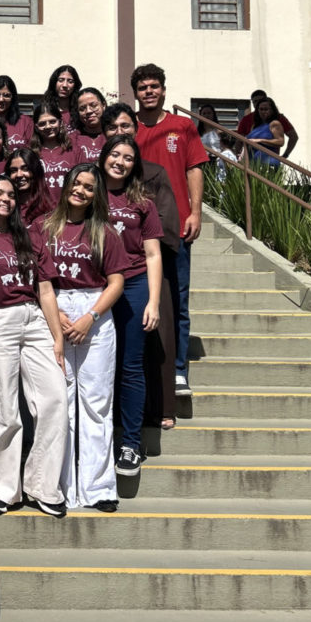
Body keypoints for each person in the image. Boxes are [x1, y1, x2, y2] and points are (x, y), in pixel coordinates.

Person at [0, 175, 68, 517]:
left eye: (11, 194)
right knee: (4, 409)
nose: (6, 198)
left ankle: (43, 486)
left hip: (34, 319)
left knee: (55, 399)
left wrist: (57, 337)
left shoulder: (30, 237)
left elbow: (46, 290)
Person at [37, 164, 127, 511]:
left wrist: (91, 316)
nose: (81, 191)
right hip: (54, 305)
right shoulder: (43, 227)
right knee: (60, 400)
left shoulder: (105, 232)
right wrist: (56, 315)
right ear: (65, 186)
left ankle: (98, 488)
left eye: (89, 187)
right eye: (77, 184)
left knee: (96, 402)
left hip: (94, 309)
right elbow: (36, 279)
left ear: (96, 194)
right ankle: (60, 486)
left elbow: (116, 281)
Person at [101, 102, 183, 432]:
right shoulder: (93, 185)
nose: (119, 132)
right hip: (100, 279)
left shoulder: (152, 178)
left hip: (139, 272)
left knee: (144, 349)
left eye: (125, 126)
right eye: (112, 128)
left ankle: (153, 414)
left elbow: (158, 239)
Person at [131, 64, 208, 401]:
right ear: (135, 93)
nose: (149, 92)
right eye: (143, 87)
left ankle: (177, 369)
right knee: (142, 299)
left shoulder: (182, 126)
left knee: (178, 298)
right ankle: (146, 369)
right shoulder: (128, 127)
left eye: (154, 86)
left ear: (163, 90)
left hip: (175, 226)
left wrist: (195, 211)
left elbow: (194, 168)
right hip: (135, 228)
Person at [99, 136, 163, 479]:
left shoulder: (143, 202)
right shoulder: (88, 192)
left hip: (134, 285)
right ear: (103, 157)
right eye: (114, 154)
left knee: (130, 366)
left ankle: (130, 444)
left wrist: (153, 301)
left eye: (127, 157)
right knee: (95, 368)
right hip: (94, 285)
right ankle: (96, 440)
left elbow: (152, 254)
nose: (120, 162)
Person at [237, 89, 298, 159]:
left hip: (269, 159)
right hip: (252, 160)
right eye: (255, 101)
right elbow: (239, 140)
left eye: (260, 101)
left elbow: (292, 137)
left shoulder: (278, 119)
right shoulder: (247, 119)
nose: (258, 103)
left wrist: (285, 155)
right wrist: (238, 156)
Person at [31, 101, 72, 201]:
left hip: (68, 208)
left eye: (52, 121)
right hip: (40, 208)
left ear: (60, 122)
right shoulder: (30, 154)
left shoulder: (74, 150)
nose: (48, 126)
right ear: (36, 127)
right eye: (42, 124)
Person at [6, 147, 54, 225]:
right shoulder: (5, 207)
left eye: (25, 169)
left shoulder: (50, 208)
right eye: (14, 170)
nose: (19, 175)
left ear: (36, 171)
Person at [0, 75, 32, 149]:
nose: (1, 99)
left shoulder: (26, 122)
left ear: (13, 98)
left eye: (6, 95)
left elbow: (32, 150)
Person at [68, 87, 109, 162]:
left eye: (93, 105)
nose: (88, 111)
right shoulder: (72, 139)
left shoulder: (112, 135)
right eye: (82, 108)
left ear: (103, 105)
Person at [245, 96, 286, 167]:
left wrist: (260, 140)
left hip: (269, 165)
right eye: (261, 109)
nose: (263, 112)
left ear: (272, 110)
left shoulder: (274, 124)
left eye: (266, 109)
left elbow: (280, 141)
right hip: (254, 165)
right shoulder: (255, 126)